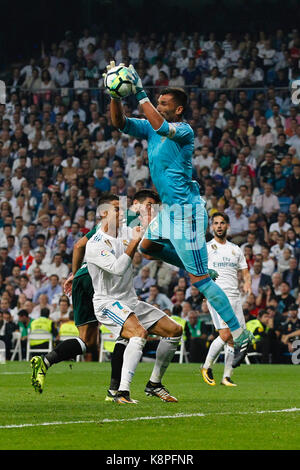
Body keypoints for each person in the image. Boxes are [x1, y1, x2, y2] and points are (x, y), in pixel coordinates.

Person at [107, 61, 253, 360]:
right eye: (157, 102)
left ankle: (240, 334)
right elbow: (119, 124)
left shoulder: (183, 131)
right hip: (169, 213)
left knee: (200, 282)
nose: (158, 106)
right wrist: (115, 94)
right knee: (147, 246)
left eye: (164, 104)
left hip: (187, 214)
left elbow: (161, 125)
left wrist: (140, 92)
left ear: (178, 111)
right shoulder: (149, 128)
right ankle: (198, 267)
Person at [84, 195, 182, 404]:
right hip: (107, 303)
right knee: (139, 334)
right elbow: (118, 270)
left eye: (122, 209)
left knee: (174, 331)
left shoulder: (128, 231)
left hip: (130, 301)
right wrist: (136, 240)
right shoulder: (95, 244)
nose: (122, 214)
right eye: (117, 209)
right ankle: (122, 392)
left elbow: (151, 242)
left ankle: (154, 384)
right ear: (103, 213)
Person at [201, 212, 252, 386]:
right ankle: (206, 366)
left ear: (227, 226)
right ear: (211, 227)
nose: (219, 226)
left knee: (233, 338)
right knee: (226, 333)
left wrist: (247, 284)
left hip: (235, 297)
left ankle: (226, 377)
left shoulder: (235, 249)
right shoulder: (206, 248)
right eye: (216, 223)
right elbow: (197, 271)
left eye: (222, 223)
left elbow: (245, 271)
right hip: (216, 295)